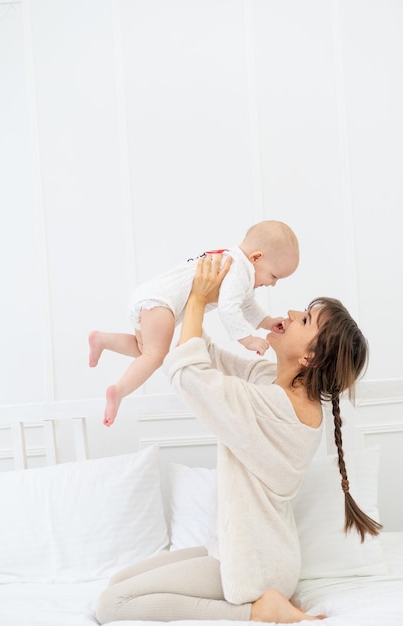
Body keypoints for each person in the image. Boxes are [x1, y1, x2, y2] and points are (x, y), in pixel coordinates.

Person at [96, 253, 382, 624]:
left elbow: (190, 374)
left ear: (310, 357)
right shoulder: (271, 383)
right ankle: (263, 603)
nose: (292, 313)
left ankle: (258, 611)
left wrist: (198, 300)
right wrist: (194, 295)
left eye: (306, 319)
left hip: (253, 564)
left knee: (112, 604)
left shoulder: (278, 408)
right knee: (118, 580)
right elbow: (208, 356)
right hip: (249, 550)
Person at [89, 220, 299, 426]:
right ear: (256, 257)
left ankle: (102, 340)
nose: (272, 284)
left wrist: (268, 322)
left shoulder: (233, 261)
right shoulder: (238, 270)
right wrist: (248, 339)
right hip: (161, 303)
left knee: (143, 349)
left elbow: (247, 305)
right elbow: (229, 308)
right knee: (155, 356)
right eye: (274, 276)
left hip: (148, 295)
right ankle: (119, 391)